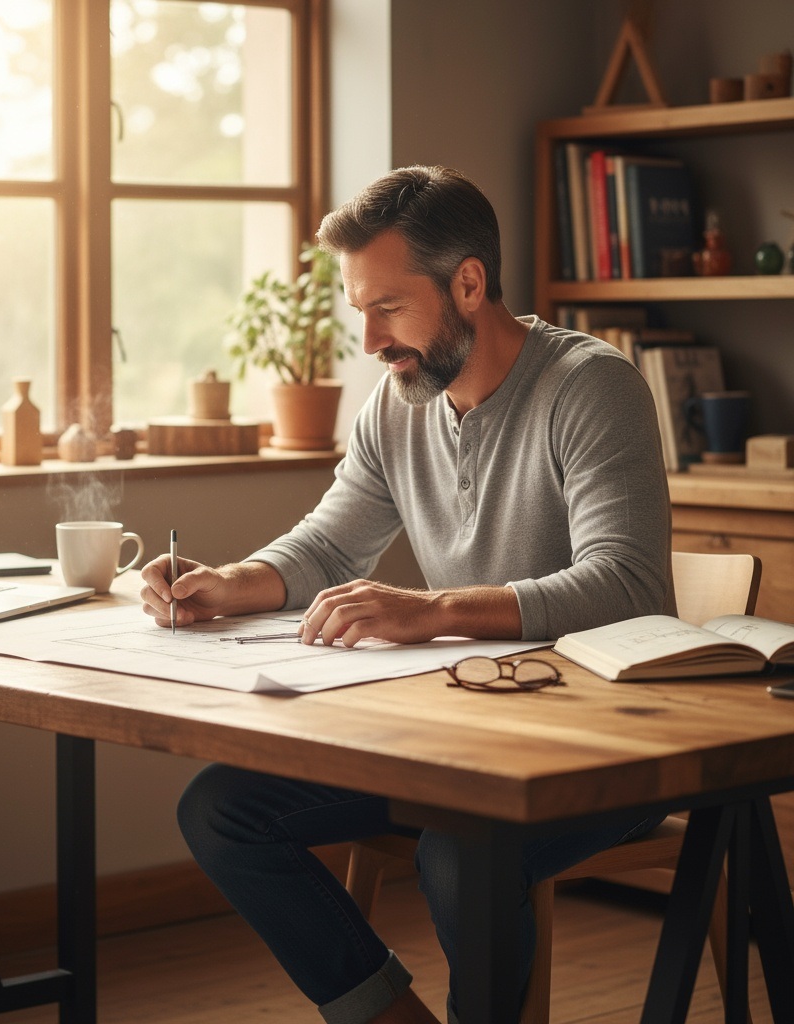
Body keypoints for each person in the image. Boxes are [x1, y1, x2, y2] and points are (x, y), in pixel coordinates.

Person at [139, 165, 673, 1024]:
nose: (369, 342)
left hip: (597, 751)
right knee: (220, 809)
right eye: (361, 312)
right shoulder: (399, 403)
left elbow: (629, 586)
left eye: (387, 310)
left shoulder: (590, 387)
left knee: (461, 852)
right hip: (457, 739)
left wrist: (435, 610)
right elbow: (327, 541)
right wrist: (233, 583)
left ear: (469, 283)